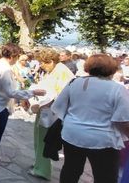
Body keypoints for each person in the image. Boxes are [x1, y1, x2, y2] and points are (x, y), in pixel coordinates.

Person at [52, 54, 129, 183]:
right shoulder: (117, 89)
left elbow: (59, 106)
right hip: (103, 140)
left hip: (72, 134)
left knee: (71, 170)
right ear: (112, 69)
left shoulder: (75, 82)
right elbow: (122, 119)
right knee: (105, 177)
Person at [0, 43, 46, 168]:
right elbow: (11, 92)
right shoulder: (5, 69)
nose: (17, 59)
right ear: (13, 56)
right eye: (17, 56)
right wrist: (32, 92)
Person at [27, 48, 74, 180]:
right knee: (39, 139)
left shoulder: (62, 72)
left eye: (42, 62)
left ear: (51, 61)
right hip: (45, 110)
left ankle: (42, 169)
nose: (40, 65)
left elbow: (61, 94)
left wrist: (44, 103)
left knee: (43, 141)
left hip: (51, 114)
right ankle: (38, 164)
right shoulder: (55, 70)